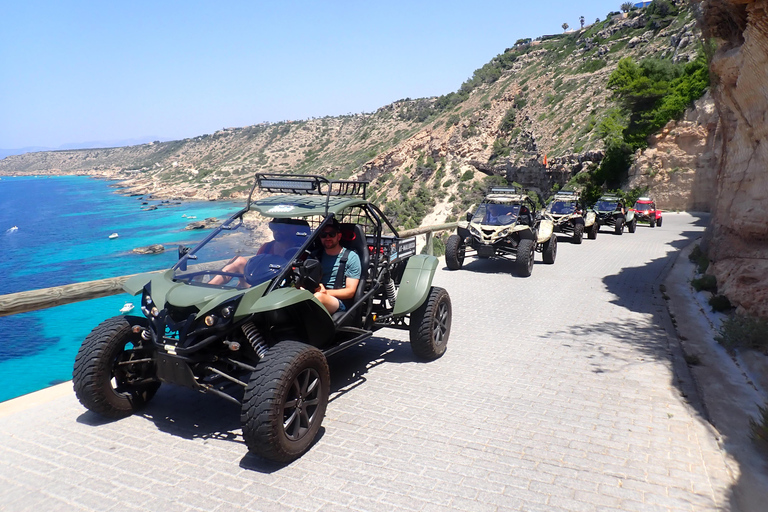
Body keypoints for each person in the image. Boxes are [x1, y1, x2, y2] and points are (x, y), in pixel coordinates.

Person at [208, 218, 304, 286]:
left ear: (291, 229)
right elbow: (254, 268)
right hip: (257, 286)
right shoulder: (267, 247)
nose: (277, 232)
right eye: (274, 228)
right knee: (239, 261)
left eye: (281, 228)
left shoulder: (299, 250)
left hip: (280, 287)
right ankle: (207, 289)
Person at [312, 219, 361, 314]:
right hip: (314, 293)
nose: (327, 238)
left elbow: (350, 292)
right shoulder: (315, 256)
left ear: (339, 236)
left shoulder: (351, 257)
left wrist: (325, 292)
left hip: (337, 301)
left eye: (332, 234)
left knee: (318, 298)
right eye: (323, 235)